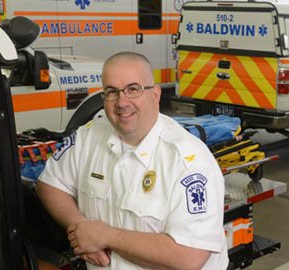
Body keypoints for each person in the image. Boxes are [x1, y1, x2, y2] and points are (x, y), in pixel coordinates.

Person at [36, 52, 229, 270]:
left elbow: (189, 257)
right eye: (111, 92)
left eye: (133, 89)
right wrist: (80, 227)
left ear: (155, 94)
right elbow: (49, 184)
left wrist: (104, 236)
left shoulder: (188, 160)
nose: (122, 102)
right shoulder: (88, 137)